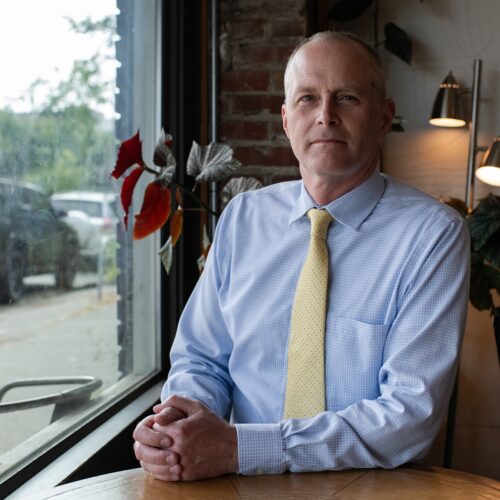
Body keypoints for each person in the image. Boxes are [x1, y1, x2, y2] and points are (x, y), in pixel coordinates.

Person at [133, 31, 470, 482]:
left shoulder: (433, 235)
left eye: (347, 98)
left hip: (368, 487)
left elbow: (409, 415)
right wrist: (179, 426)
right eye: (308, 99)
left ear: (385, 117)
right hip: (233, 482)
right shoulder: (243, 217)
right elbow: (201, 359)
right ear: (287, 119)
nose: (326, 116)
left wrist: (240, 448)